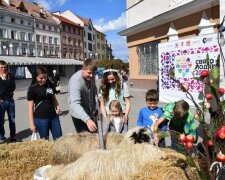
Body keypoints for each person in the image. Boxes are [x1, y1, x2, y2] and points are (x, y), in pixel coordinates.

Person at [27, 66, 62, 140]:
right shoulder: (32, 88)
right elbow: (30, 108)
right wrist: (31, 123)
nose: (43, 80)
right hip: (41, 119)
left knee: (59, 139)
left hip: (53, 117)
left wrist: (57, 107)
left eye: (45, 77)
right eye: (41, 78)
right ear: (36, 77)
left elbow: (53, 98)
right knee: (44, 141)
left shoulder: (50, 84)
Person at [68, 59, 98, 133]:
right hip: (79, 114)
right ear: (83, 70)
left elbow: (93, 91)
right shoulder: (75, 81)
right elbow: (75, 103)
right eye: (89, 73)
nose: (91, 75)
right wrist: (87, 119)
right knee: (85, 140)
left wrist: (95, 107)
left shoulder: (91, 76)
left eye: (93, 73)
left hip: (90, 111)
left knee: (94, 136)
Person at [0, 60, 17, 143]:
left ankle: (13, 136)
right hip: (1, 102)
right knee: (1, 121)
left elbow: (13, 87)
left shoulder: (10, 76)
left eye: (5, 67)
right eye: (1, 67)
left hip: (10, 101)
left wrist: (6, 79)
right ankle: (1, 137)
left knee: (12, 120)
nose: (3, 69)